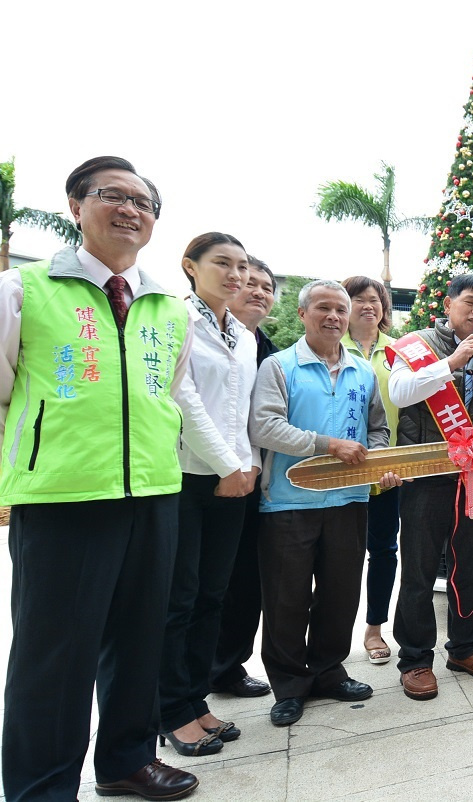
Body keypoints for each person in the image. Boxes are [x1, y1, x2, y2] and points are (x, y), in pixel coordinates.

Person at [0, 156, 199, 800]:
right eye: (113, 196)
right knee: (54, 655)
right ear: (75, 206)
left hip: (152, 492)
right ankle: (42, 786)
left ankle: (125, 759)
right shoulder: (23, 290)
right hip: (63, 496)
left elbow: (165, 397)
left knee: (139, 637)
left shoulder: (170, 307)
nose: (131, 210)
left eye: (144, 202)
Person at [249, 279, 392, 726]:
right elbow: (264, 427)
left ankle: (328, 672)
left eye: (340, 311)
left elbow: (378, 430)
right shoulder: (279, 367)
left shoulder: (362, 371)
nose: (333, 317)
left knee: (340, 594)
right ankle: (289, 685)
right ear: (304, 314)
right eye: (324, 309)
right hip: (290, 501)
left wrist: (379, 467)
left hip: (349, 501)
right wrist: (327, 445)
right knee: (286, 599)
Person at [158, 233, 259, 758]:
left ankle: (195, 700)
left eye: (242, 265)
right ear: (190, 267)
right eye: (223, 263)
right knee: (179, 598)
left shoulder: (241, 333)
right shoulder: (175, 320)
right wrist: (228, 465)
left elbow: (242, 408)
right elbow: (183, 399)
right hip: (186, 476)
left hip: (235, 476)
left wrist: (248, 465)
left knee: (211, 596)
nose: (236, 275)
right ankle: (170, 711)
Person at [388, 272, 473, 700]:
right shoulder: (417, 344)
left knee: (468, 564)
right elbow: (400, 392)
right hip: (425, 472)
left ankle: (465, 647)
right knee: (420, 568)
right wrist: (452, 363)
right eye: (470, 302)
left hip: (471, 476)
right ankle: (416, 659)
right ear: (449, 304)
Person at [210, 256, 278, 699]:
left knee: (245, 581)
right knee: (203, 587)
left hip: (256, 482)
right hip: (206, 478)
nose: (257, 291)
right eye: (250, 282)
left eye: (267, 287)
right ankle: (189, 684)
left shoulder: (270, 350)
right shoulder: (201, 335)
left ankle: (227, 667)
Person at [340, 275, 402, 665]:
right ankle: (331, 631)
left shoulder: (401, 351)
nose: (368, 306)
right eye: (359, 299)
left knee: (383, 550)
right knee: (338, 554)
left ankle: (375, 629)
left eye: (375, 300)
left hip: (387, 472)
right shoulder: (329, 346)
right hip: (338, 470)